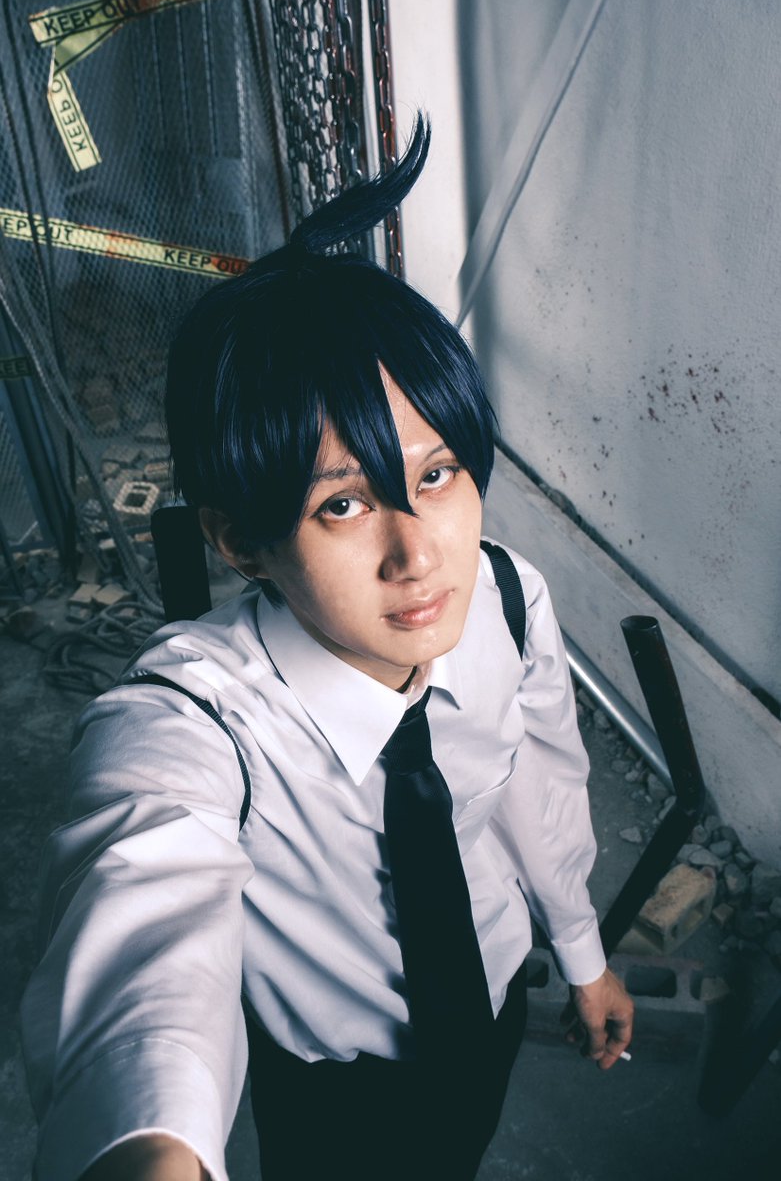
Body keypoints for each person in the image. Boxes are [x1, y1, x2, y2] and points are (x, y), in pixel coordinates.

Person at [22, 115, 633, 1181]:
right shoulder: (195, 715)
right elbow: (143, 895)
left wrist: (580, 954)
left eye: (436, 475)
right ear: (240, 542)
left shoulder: (506, 596)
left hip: (491, 1001)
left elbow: (537, 779)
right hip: (329, 1081)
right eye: (343, 505)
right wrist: (149, 1147)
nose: (419, 554)